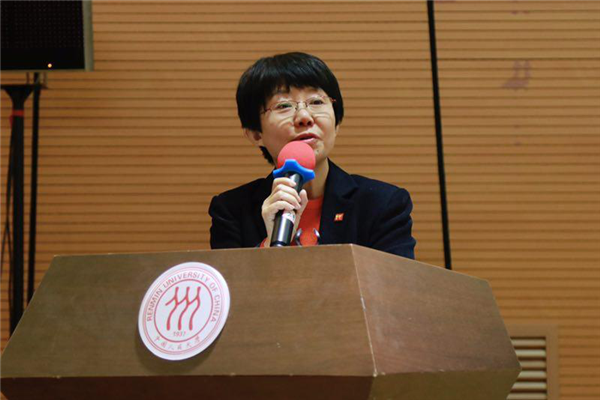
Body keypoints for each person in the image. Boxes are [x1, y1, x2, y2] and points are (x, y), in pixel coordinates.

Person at [209, 52, 416, 259]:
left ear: (336, 123)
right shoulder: (231, 211)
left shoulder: (382, 204)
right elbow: (230, 280)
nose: (304, 117)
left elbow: (394, 279)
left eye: (316, 102)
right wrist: (268, 245)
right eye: (284, 106)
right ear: (256, 134)